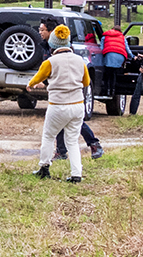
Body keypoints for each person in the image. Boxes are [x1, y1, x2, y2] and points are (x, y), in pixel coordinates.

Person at [26, 23, 89, 183]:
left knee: (48, 136)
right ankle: (76, 174)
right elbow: (86, 81)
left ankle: (44, 167)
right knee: (73, 141)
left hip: (58, 106)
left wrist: (30, 84)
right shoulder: (79, 60)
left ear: (52, 44)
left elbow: (37, 78)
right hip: (77, 105)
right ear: (68, 42)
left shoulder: (50, 62)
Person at [38, 20, 103, 156]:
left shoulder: (63, 48)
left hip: (69, 92)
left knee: (74, 122)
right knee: (62, 121)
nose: (40, 32)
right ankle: (62, 151)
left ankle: (93, 143)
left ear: (52, 32)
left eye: (42, 30)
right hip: (58, 93)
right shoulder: (45, 46)